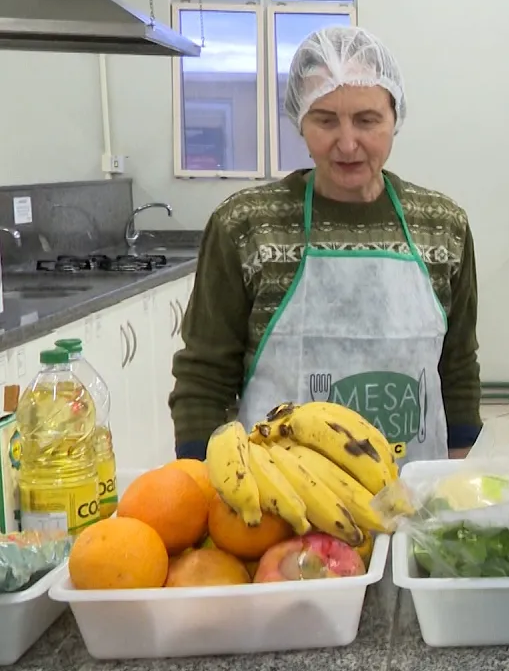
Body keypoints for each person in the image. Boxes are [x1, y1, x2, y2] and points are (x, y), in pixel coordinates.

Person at [169, 25, 481, 463]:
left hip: (414, 487)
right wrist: (201, 484)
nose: (347, 144)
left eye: (367, 120)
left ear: (395, 119)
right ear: (300, 121)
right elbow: (204, 378)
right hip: (277, 491)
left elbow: (458, 368)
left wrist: (457, 480)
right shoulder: (246, 226)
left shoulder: (443, 226)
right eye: (325, 120)